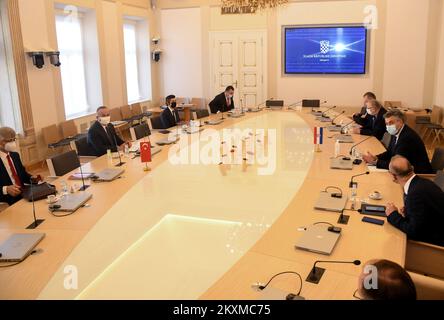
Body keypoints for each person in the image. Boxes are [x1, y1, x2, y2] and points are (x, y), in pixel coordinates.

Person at [385, 156, 444, 246]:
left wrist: (393, 215)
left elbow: (414, 232)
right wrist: (408, 213)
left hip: (435, 246)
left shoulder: (415, 194)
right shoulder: (423, 182)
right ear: (412, 168)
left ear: (393, 176)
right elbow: (425, 213)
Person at [362, 109, 433, 173]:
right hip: (406, 170)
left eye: (391, 123)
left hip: (419, 173)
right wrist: (376, 157)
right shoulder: (397, 132)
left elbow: (397, 164)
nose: (388, 126)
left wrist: (376, 162)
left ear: (400, 122)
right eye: (386, 124)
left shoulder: (407, 137)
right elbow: (390, 152)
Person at [0, 127, 36, 206]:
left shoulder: (15, 155)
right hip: (7, 199)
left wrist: (32, 178)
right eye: (9, 140)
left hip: (24, 193)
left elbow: (23, 175)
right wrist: (6, 189)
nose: (13, 143)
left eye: (14, 139)